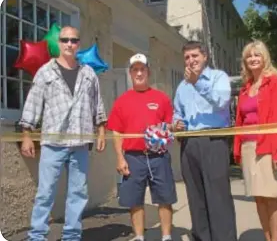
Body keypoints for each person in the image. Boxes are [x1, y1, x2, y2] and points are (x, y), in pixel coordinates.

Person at [19, 26, 107, 240]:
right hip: (52, 143)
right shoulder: (45, 72)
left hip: (80, 143)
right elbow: (33, 104)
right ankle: (37, 235)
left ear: (78, 44)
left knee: (78, 193)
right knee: (45, 192)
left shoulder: (88, 74)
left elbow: (98, 105)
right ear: (58, 43)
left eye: (74, 40)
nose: (69, 44)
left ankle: (72, 235)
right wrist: (27, 135)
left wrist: (101, 130)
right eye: (65, 40)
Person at [106, 53, 177, 241]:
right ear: (130, 73)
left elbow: (170, 125)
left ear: (148, 71)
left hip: (158, 156)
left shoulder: (161, 98)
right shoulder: (122, 101)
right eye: (135, 70)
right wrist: (120, 158)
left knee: (165, 198)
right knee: (135, 201)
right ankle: (139, 236)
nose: (139, 73)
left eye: (142, 69)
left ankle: (167, 236)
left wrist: (162, 132)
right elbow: (117, 132)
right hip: (133, 157)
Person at [173, 41, 237, 241]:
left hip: (213, 140)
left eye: (195, 56)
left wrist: (197, 82)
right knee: (196, 197)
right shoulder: (182, 86)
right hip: (189, 144)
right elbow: (177, 112)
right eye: (187, 57)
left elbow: (221, 101)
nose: (191, 61)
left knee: (218, 197)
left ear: (205, 57)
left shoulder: (219, 77)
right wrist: (176, 123)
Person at [233, 40, 277, 241]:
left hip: (270, 146)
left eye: (257, 55)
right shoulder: (245, 88)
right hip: (249, 147)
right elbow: (240, 121)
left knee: (272, 197)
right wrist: (237, 149)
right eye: (249, 56)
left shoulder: (276, 83)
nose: (253, 59)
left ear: (264, 57)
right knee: (259, 198)